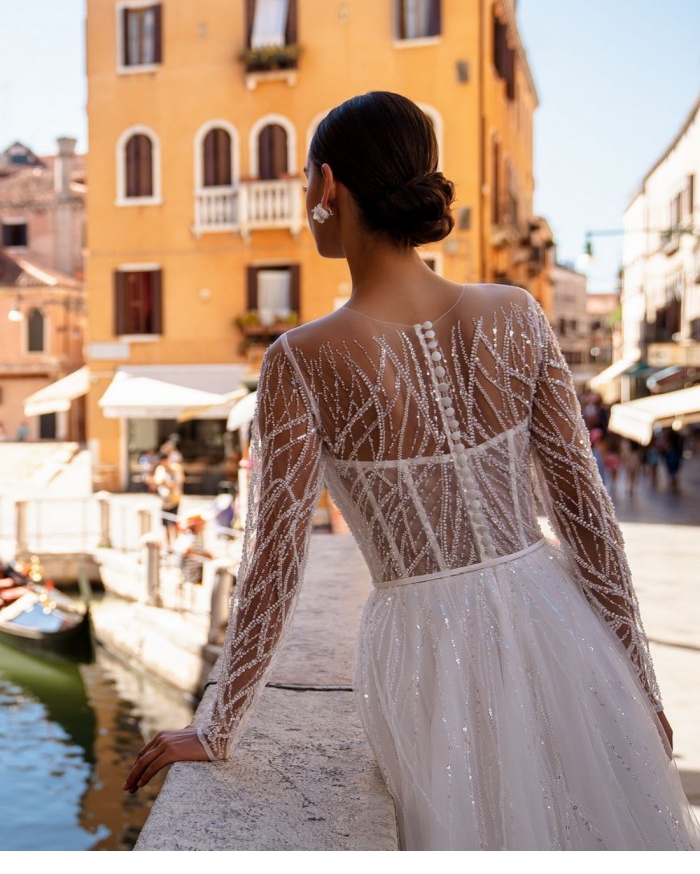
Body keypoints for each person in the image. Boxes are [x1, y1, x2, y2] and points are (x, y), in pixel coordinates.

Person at [124, 92, 700, 850]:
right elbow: (589, 520)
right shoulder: (517, 314)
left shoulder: (301, 359)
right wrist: (639, 687)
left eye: (305, 179)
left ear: (327, 186)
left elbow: (274, 559)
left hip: (426, 649)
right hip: (560, 626)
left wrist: (218, 723)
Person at [153, 452, 183, 547]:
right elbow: (157, 481)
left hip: (174, 499)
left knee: (174, 523)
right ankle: (168, 545)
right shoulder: (160, 469)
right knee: (165, 524)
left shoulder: (175, 468)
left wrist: (166, 483)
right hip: (164, 501)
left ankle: (177, 544)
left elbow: (178, 481)